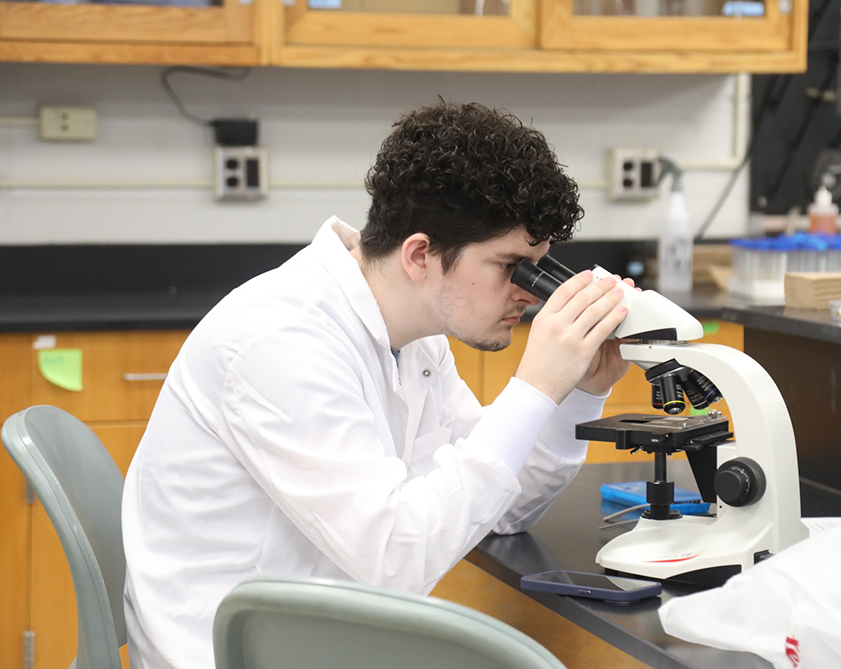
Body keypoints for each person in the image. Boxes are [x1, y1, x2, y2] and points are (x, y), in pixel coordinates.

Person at [121, 101, 632, 669]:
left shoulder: (413, 331)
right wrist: (535, 385)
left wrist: (577, 393)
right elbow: (396, 560)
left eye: (538, 266)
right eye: (510, 266)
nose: (531, 293)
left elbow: (498, 509)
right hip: (234, 655)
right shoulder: (281, 341)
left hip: (319, 635)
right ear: (420, 254)